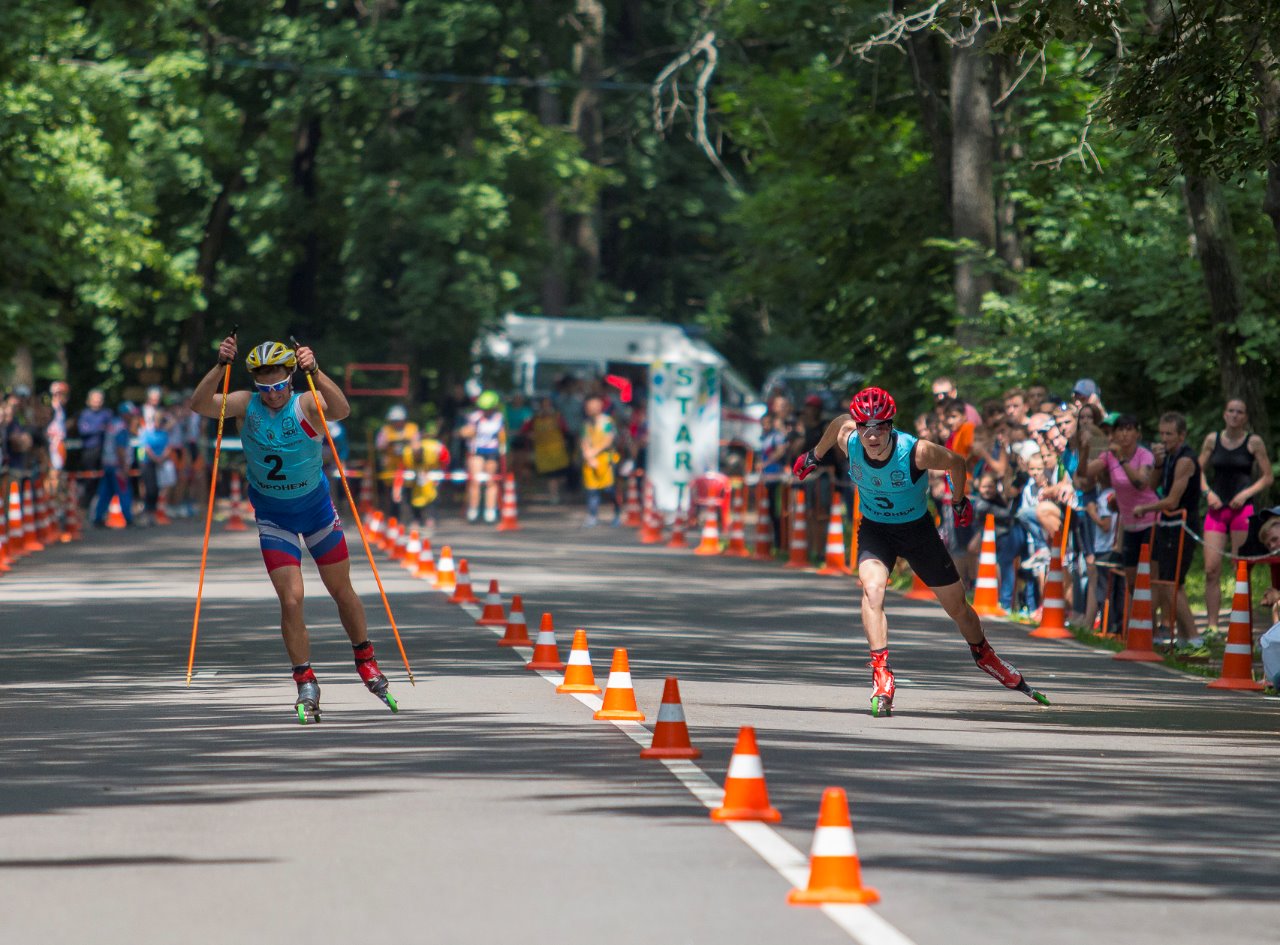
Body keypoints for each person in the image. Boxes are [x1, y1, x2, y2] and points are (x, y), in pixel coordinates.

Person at [793, 386, 1049, 717]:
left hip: (917, 532)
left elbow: (956, 461)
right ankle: (881, 673)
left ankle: (984, 654)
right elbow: (839, 423)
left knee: (957, 607)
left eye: (880, 426)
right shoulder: (848, 437)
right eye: (864, 426)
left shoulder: (917, 451)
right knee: (872, 590)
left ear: (891, 425)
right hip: (876, 530)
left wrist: (959, 500)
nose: (871, 435)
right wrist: (814, 455)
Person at [190, 337, 399, 723]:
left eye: (279, 384)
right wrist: (220, 366)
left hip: (317, 512)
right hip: (274, 517)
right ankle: (305, 681)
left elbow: (342, 409)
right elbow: (200, 404)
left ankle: (366, 660)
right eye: (264, 387)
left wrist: (315, 370)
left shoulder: (305, 402)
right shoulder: (243, 404)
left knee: (341, 590)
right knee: (292, 599)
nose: (272, 394)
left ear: (290, 377)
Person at [1196, 398, 1274, 635]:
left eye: (1240, 412)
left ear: (1246, 417)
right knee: (1211, 569)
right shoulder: (1212, 439)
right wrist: (1207, 492)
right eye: (1231, 411)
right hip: (1217, 510)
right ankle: (1211, 626)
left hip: (1242, 511)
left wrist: (1246, 494)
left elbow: (1267, 476)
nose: (1235, 415)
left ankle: (1240, 625)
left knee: (1241, 569)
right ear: (1224, 414)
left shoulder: (1254, 442)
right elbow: (1195, 470)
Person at [1134, 412, 1202, 646]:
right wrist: (1159, 463)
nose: (1164, 439)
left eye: (1169, 434)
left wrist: (1145, 508)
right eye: (1161, 434)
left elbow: (1172, 501)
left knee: (1172, 583)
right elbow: (1152, 486)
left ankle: (1194, 638)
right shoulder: (1169, 457)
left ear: (1181, 435)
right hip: (1167, 526)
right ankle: (1185, 640)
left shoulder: (1185, 460)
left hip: (1182, 525)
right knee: (1166, 583)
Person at [1082, 413, 1158, 594]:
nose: (1124, 434)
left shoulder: (1144, 455)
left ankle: (1153, 621)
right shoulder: (1109, 456)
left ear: (1137, 434)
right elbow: (1085, 474)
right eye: (1120, 430)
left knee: (1149, 578)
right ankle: (1135, 620)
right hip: (1130, 525)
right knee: (1131, 581)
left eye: (1129, 430)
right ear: (1114, 434)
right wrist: (1085, 450)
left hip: (1149, 521)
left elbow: (1140, 482)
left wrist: (1122, 459)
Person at [459, 390, 506, 523]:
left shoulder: (499, 418)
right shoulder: (475, 417)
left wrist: (503, 448)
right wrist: (468, 431)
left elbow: (502, 435)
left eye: (489, 409)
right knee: (476, 480)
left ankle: (490, 510)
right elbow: (464, 432)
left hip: (492, 451)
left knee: (491, 481)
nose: (487, 411)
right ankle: (473, 509)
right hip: (477, 451)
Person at [93, 402, 138, 528]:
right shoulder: (121, 428)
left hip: (107, 463)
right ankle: (128, 518)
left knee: (105, 492)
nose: (132, 417)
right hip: (117, 466)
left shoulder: (112, 424)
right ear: (125, 414)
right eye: (130, 414)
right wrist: (124, 467)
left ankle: (98, 518)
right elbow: (120, 449)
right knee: (124, 491)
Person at [580, 394, 617, 527]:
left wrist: (594, 452)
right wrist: (588, 456)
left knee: (609, 489)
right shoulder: (586, 423)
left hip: (605, 460)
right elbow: (584, 440)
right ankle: (592, 516)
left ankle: (616, 514)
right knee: (592, 490)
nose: (591, 408)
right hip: (590, 460)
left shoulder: (607, 422)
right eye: (589, 406)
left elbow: (608, 440)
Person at [375, 405, 420, 517]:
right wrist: (388, 444)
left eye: (398, 420)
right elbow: (380, 446)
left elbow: (417, 445)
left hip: (409, 467)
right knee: (393, 496)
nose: (396, 423)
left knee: (412, 494)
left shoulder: (412, 429)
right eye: (394, 421)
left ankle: (415, 519)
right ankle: (395, 520)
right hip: (392, 469)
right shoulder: (386, 431)